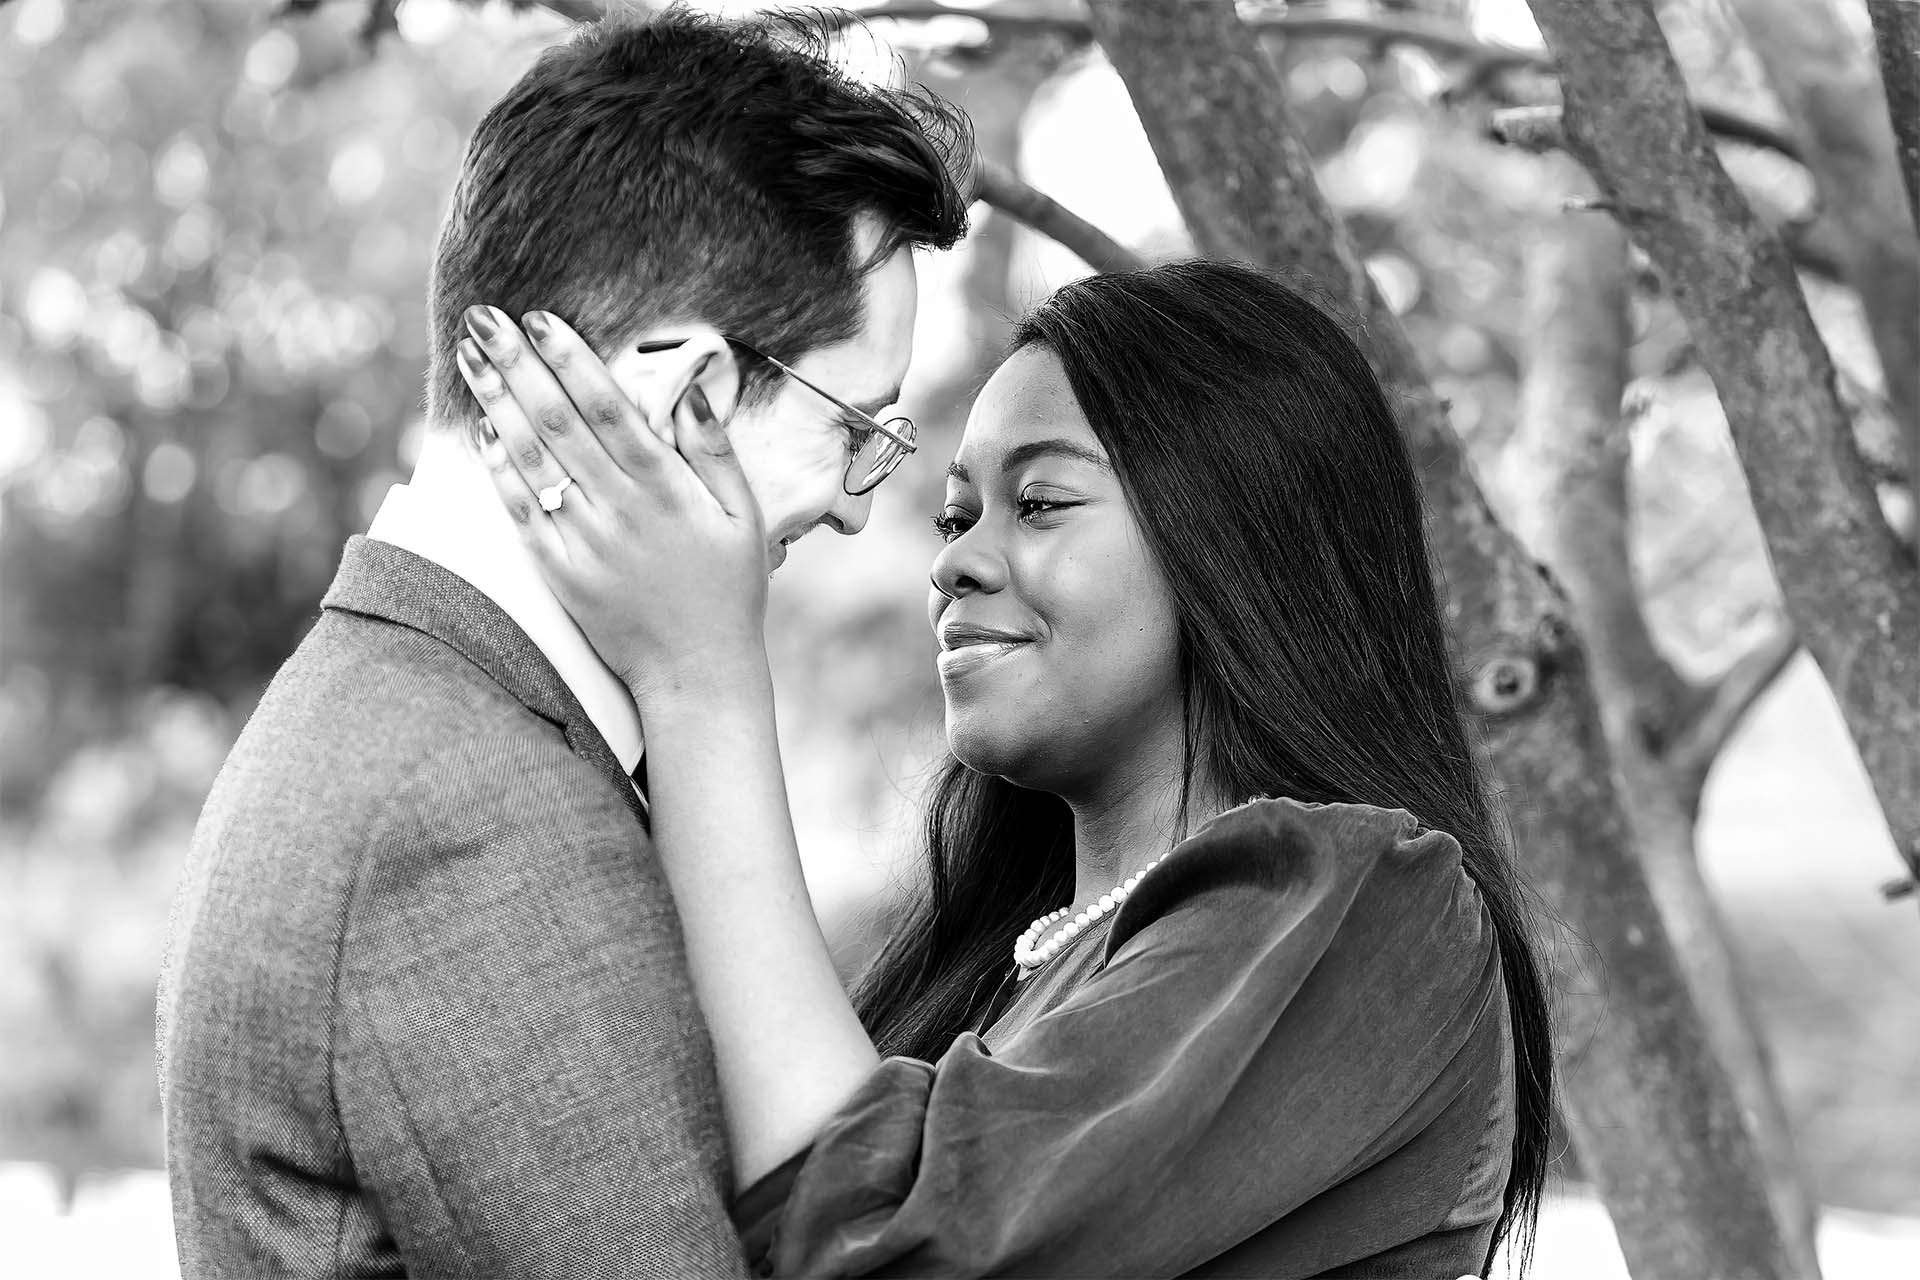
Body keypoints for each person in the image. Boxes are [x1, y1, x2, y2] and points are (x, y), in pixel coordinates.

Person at [456, 258, 1556, 1278]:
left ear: (1240, 533)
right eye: (955, 514)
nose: (953, 561)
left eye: (1037, 502)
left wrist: (702, 675)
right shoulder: (989, 970)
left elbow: (900, 1239)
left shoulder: (1366, 906)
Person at [154, 9, 968, 1276]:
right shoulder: (468, 808)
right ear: (689, 397)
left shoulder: (410, 701)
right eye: (857, 424)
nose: (864, 500)